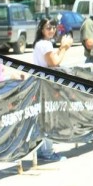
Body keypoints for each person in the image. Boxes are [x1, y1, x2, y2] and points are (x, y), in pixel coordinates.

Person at [32, 18, 73, 162]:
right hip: (45, 85)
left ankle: (44, 150)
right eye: (48, 28)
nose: (52, 30)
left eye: (53, 27)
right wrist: (64, 47)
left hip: (42, 84)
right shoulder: (44, 44)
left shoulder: (42, 44)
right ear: (41, 30)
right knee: (47, 118)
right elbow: (54, 63)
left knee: (44, 118)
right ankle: (47, 152)